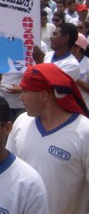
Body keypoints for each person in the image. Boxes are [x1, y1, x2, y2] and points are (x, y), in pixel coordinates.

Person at [6, 63, 89, 214]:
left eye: (25, 91)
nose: (21, 97)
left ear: (44, 95)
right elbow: (8, 172)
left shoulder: (84, 132)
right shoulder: (21, 122)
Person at [71, 33, 89, 108]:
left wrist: (75, 78)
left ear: (78, 48)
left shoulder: (87, 63)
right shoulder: (65, 61)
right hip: (67, 106)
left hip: (84, 106)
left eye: (70, 44)